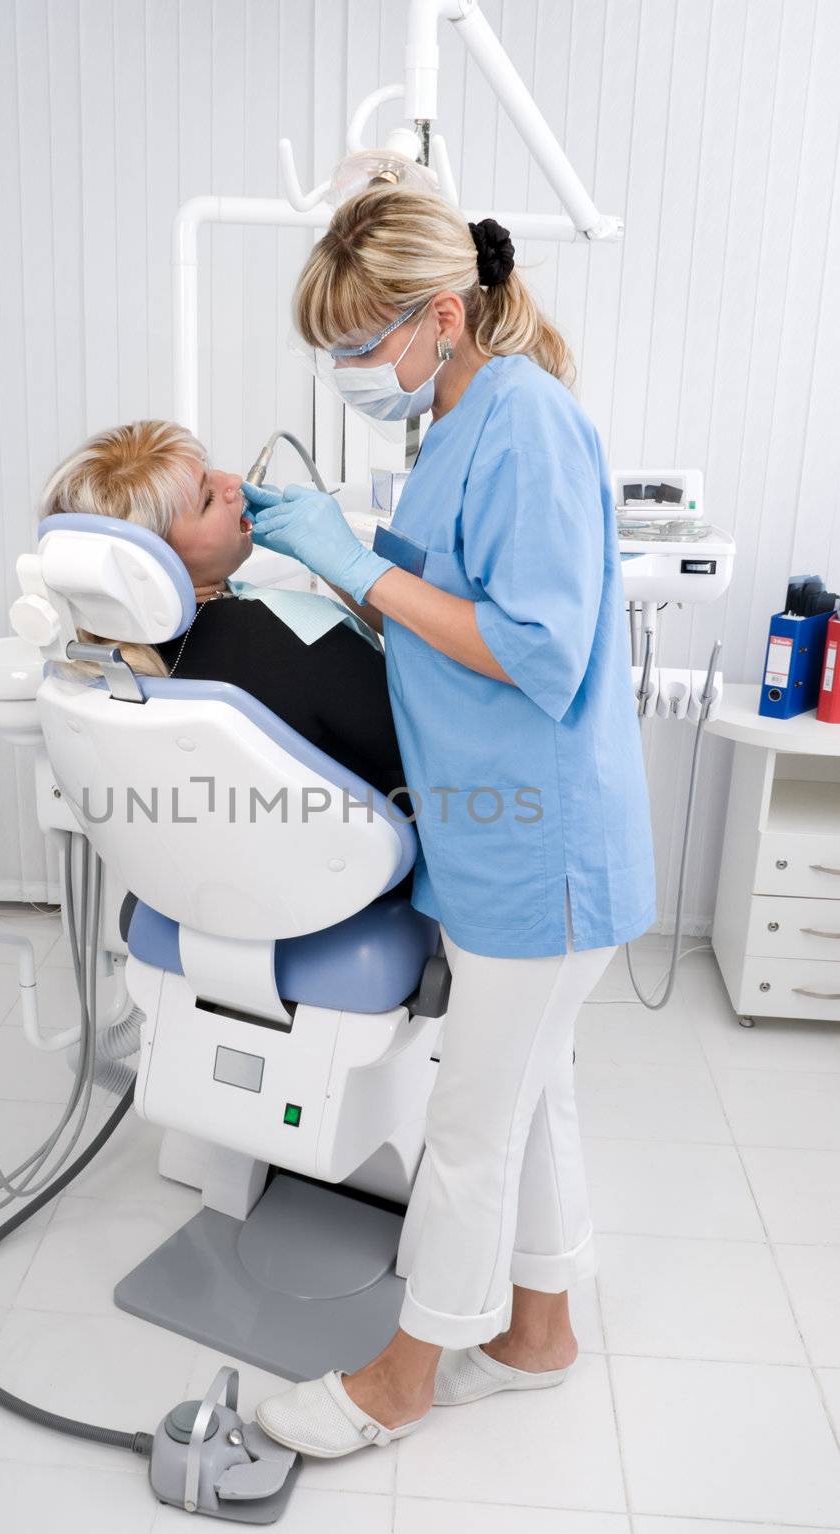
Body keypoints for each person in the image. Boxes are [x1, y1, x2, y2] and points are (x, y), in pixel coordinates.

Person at [244, 184, 656, 1458]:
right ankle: (537, 1336)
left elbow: (537, 649)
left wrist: (358, 564)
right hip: (495, 834)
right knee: (531, 1102)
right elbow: (433, 614)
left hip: (543, 849)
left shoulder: (525, 420)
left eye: (363, 347)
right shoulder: (456, 419)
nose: (354, 372)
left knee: (472, 1129)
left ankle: (401, 1384)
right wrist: (334, 563)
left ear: (439, 315)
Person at [38, 421, 415, 942]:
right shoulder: (291, 631)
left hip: (209, 894)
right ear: (155, 560)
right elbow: (423, 748)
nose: (234, 481)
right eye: (208, 498)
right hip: (347, 884)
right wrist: (349, 569)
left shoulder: (99, 666)